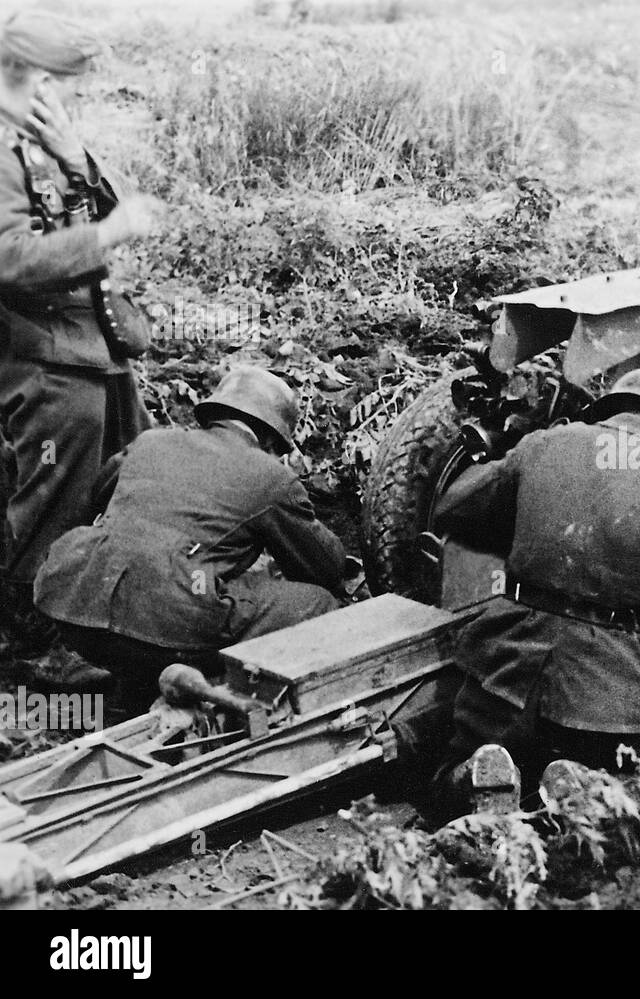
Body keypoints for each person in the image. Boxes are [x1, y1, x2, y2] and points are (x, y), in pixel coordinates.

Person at [424, 367, 640, 819]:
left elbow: (453, 507)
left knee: (451, 773)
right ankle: (588, 790)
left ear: (607, 410)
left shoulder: (544, 445)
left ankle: (473, 776)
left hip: (511, 674)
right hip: (616, 701)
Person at [32, 366, 347, 701]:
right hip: (162, 633)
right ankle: (211, 687)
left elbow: (99, 497)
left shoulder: (151, 441)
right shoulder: (272, 477)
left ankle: (106, 670)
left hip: (72, 606)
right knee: (317, 602)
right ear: (272, 438)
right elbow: (324, 569)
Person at [0, 9, 158, 664]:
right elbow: (9, 258)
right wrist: (106, 236)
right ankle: (36, 637)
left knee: (136, 456)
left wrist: (77, 161)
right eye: (74, 85)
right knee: (56, 485)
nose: (80, 99)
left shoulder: (42, 138)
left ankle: (98, 602)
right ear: (36, 80)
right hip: (33, 351)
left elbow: (105, 203)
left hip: (83, 339)